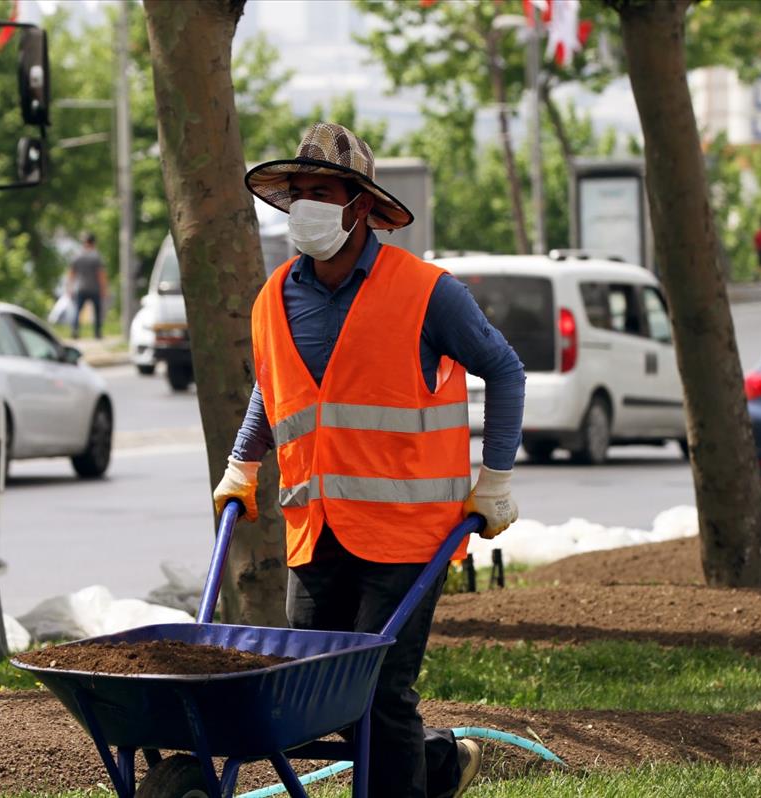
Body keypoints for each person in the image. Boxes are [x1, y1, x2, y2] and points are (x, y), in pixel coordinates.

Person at [212, 123, 525, 798]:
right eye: (297, 193)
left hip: (409, 536)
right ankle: (439, 766)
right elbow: (277, 384)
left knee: (382, 694)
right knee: (313, 698)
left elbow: (504, 369)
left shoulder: (427, 292)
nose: (305, 207)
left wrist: (494, 478)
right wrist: (244, 462)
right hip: (316, 529)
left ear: (360, 205)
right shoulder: (274, 298)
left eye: (320, 192)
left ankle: (414, 775)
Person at [67, 233, 108, 339]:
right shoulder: (96, 256)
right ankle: (97, 333)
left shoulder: (77, 256)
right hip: (94, 288)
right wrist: (104, 289)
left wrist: (70, 288)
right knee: (97, 311)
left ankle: (75, 330)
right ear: (93, 243)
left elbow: (72, 273)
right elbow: (101, 274)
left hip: (80, 288)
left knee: (78, 310)